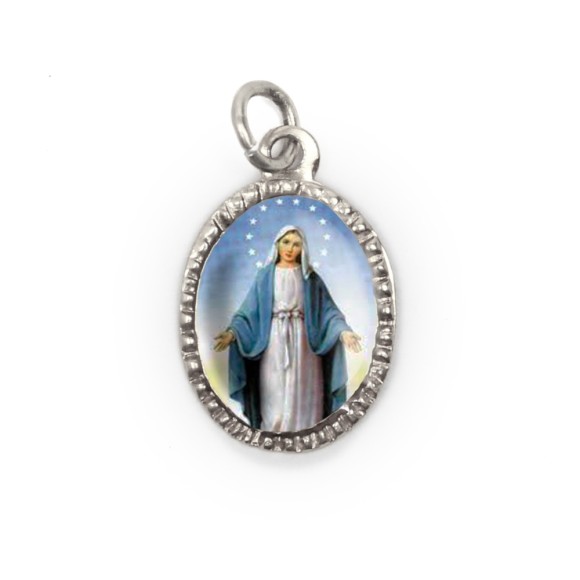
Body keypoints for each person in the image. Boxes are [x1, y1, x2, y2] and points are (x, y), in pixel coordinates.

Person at [213, 225, 361, 431]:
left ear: (303, 248)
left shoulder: (310, 278)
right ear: (277, 244)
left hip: (305, 345)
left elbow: (329, 311)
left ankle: (306, 430)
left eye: (296, 244)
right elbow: (248, 312)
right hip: (274, 342)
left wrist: (343, 332)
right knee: (274, 389)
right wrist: (232, 333)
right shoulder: (265, 276)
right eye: (286, 242)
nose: (290, 249)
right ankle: (274, 431)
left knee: (304, 388)